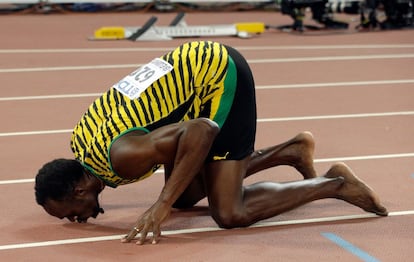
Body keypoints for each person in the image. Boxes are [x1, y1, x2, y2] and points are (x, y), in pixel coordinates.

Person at [35, 40, 388, 245]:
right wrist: (171, 197)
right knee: (185, 195)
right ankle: (291, 151)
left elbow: (201, 130)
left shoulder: (121, 159)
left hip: (219, 76)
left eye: (68, 213)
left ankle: (335, 183)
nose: (74, 220)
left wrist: (159, 205)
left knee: (230, 212)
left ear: (79, 191)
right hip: (191, 83)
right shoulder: (83, 145)